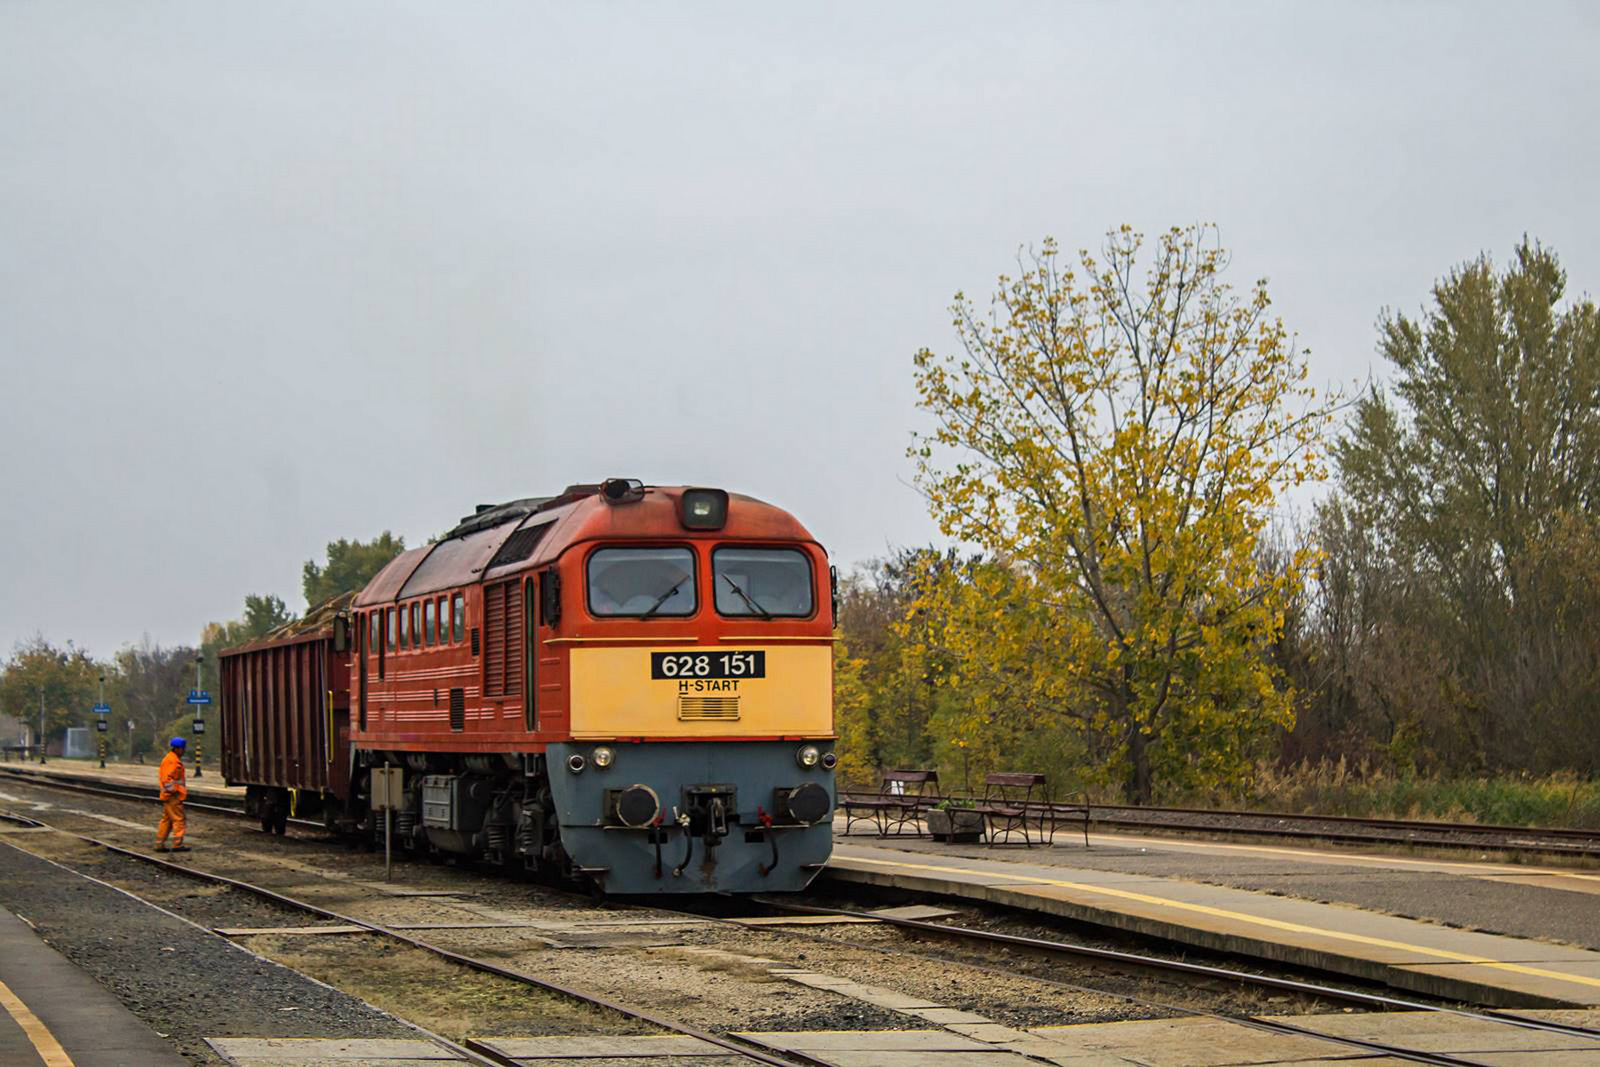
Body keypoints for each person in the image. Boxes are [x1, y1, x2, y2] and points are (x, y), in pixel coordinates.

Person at [156, 737, 189, 852]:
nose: (184, 751)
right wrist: (174, 791)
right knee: (179, 819)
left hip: (168, 796)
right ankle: (178, 844)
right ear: (178, 748)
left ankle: (159, 843)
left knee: (167, 820)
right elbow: (167, 780)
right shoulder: (172, 761)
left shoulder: (171, 759)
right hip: (172, 797)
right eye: (183, 749)